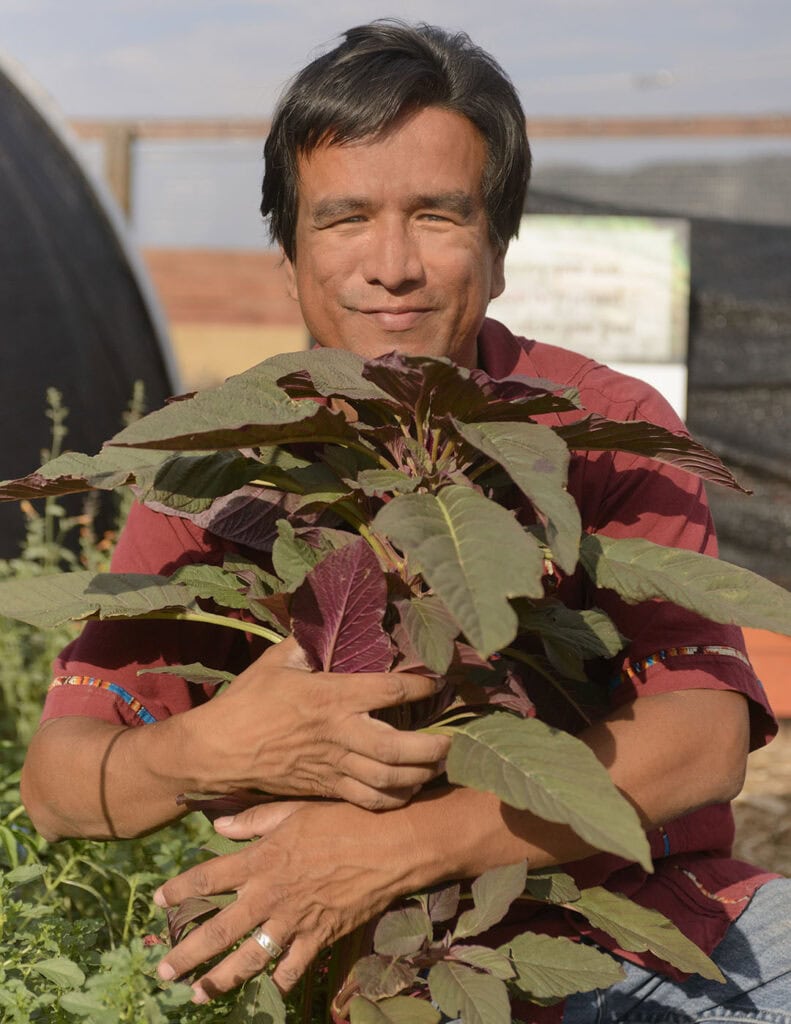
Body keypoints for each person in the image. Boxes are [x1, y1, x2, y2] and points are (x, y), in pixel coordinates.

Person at [20, 20, 789, 1022]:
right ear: (289, 260)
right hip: (373, 976)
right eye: (344, 218)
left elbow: (699, 737)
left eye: (435, 214)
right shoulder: (220, 466)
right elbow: (59, 783)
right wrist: (211, 749)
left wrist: (391, 849)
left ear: (498, 248)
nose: (392, 263)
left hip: (634, 935)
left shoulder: (588, 428)